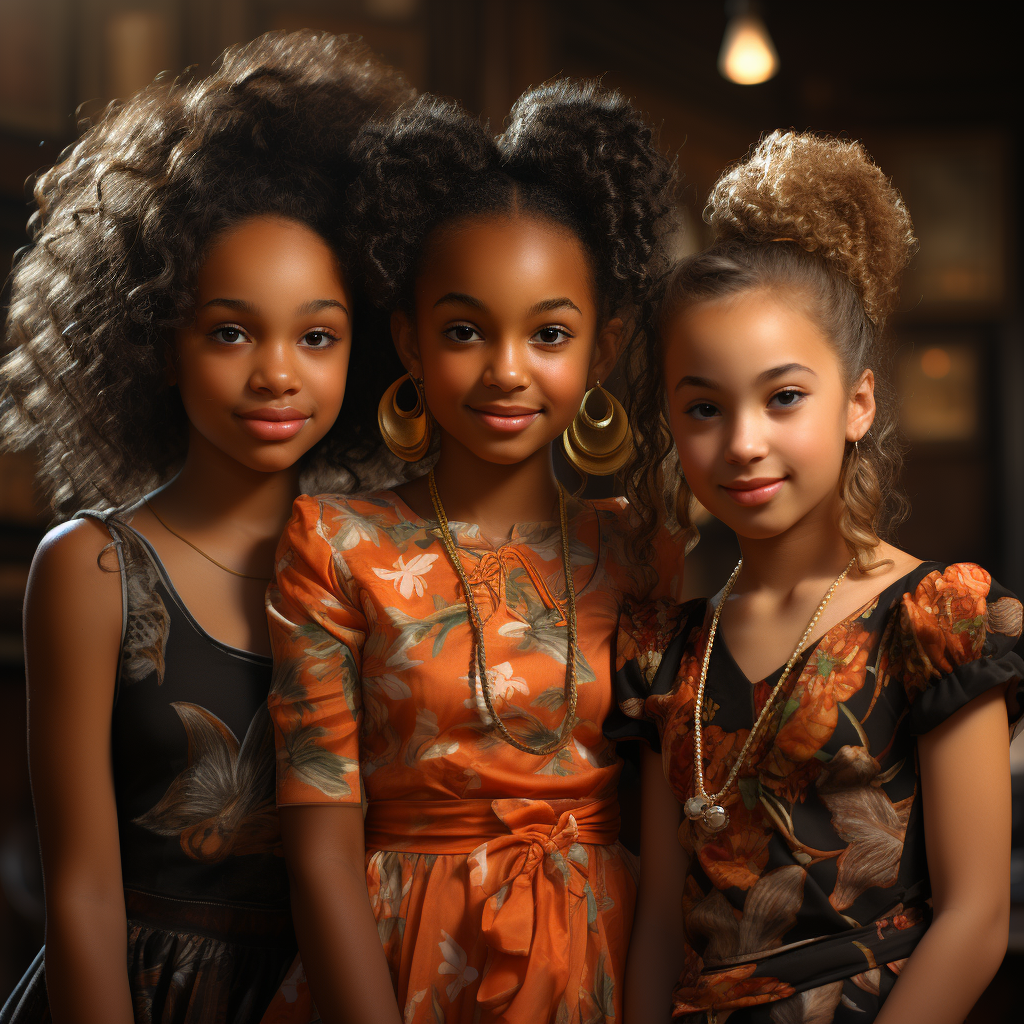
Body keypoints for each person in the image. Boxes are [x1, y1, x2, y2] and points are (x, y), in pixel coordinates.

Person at [0, 31, 411, 1024]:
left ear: (360, 352)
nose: (276, 372)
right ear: (154, 337)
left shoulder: (384, 565)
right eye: (231, 330)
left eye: (316, 335)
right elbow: (82, 896)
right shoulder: (92, 569)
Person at [260, 82, 684, 1024]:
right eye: (464, 330)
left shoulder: (643, 549)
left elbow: (666, 851)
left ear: (601, 349)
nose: (505, 368)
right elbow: (321, 853)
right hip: (402, 962)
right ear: (409, 339)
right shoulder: (335, 542)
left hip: (598, 965)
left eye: (549, 334)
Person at [613, 131, 1023, 1024]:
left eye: (784, 396)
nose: (744, 441)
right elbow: (655, 922)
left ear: (859, 402)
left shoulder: (932, 615)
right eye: (704, 408)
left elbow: (977, 918)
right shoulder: (663, 649)